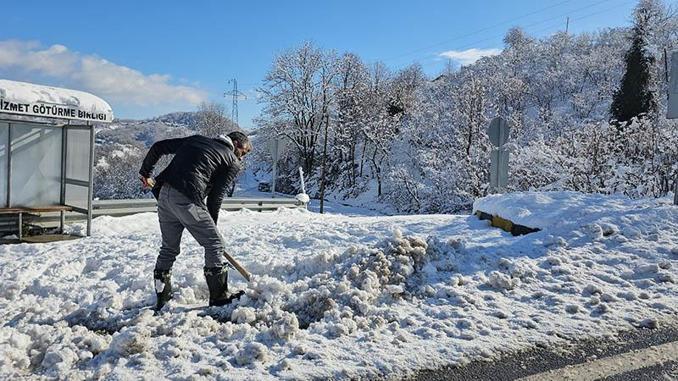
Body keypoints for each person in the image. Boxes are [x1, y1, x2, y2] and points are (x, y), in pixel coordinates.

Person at [139, 131, 252, 311]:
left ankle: (163, 297)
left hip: (164, 195)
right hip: (186, 199)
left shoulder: (196, 140)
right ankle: (219, 297)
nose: (242, 157)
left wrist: (145, 173)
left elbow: (158, 147)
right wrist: (211, 229)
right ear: (236, 143)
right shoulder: (232, 161)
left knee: (169, 248)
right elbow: (216, 197)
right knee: (215, 243)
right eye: (243, 152)